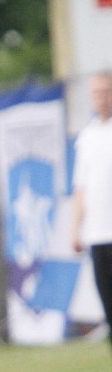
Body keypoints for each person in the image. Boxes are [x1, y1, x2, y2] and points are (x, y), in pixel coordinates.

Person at [72, 70, 112, 350]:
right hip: (98, 232)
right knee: (108, 304)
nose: (101, 98)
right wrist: (76, 228)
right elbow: (81, 188)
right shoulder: (87, 137)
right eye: (96, 92)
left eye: (106, 91)